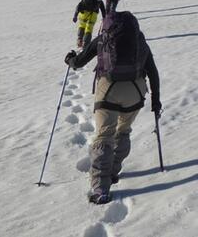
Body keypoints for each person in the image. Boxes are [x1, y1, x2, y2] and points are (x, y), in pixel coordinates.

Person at [63, 11, 161, 204]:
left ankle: (100, 187)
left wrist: (69, 59)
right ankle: (113, 171)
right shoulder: (140, 41)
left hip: (109, 91)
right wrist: (156, 101)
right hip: (135, 92)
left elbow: (79, 62)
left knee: (104, 136)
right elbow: (153, 72)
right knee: (123, 131)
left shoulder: (102, 39)